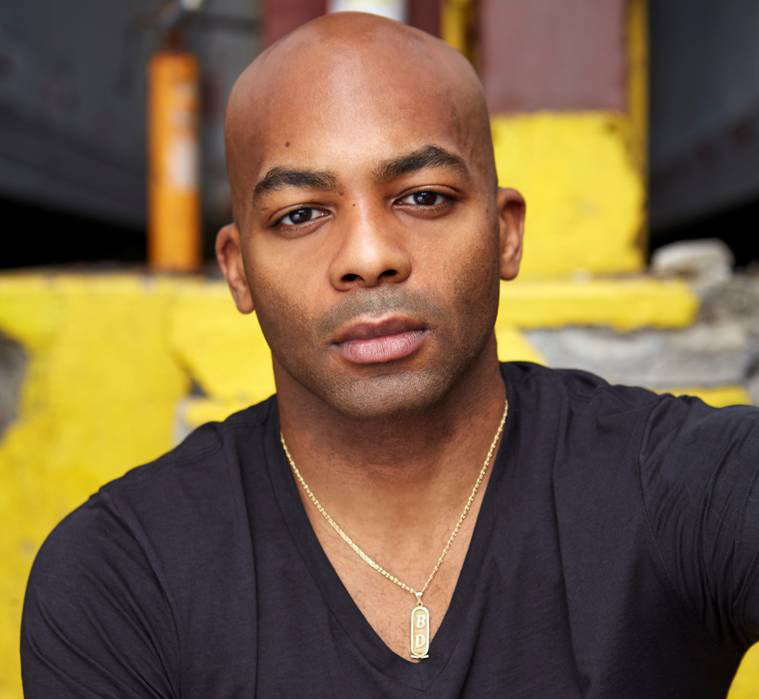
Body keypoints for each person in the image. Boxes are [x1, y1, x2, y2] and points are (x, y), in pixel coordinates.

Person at [20, 12, 759, 698]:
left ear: (504, 232)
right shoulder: (122, 574)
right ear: (238, 270)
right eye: (300, 214)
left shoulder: (684, 485)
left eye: (423, 197)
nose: (369, 257)